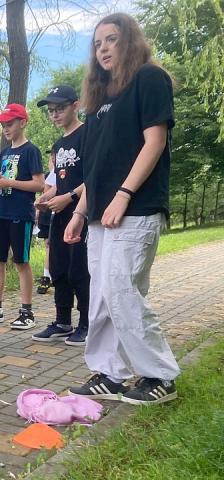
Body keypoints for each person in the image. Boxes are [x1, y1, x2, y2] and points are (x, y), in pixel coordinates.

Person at [65, 13, 180, 404]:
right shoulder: (99, 100)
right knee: (100, 294)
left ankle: (160, 375)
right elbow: (96, 168)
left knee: (122, 290)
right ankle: (109, 374)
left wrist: (125, 193)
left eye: (111, 40)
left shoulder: (149, 78)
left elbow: (155, 142)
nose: (103, 49)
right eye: (97, 44)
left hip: (137, 207)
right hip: (100, 213)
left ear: (130, 41)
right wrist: (80, 211)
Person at [0, 104, 44, 330]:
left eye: (9, 124)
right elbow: (1, 178)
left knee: (21, 261)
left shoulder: (31, 151)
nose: (5, 129)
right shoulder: (4, 153)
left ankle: (27, 312)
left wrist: (10, 182)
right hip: (0, 212)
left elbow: (39, 184)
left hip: (20, 214)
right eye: (3, 125)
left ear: (23, 122)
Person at [31, 85, 90, 346]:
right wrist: (46, 198)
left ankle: (87, 323)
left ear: (75, 106)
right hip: (60, 215)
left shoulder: (88, 135)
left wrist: (70, 197)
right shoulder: (58, 145)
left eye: (60, 109)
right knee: (59, 267)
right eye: (51, 111)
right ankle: (62, 321)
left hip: (82, 213)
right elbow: (57, 182)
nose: (54, 115)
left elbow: (94, 177)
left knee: (80, 269)